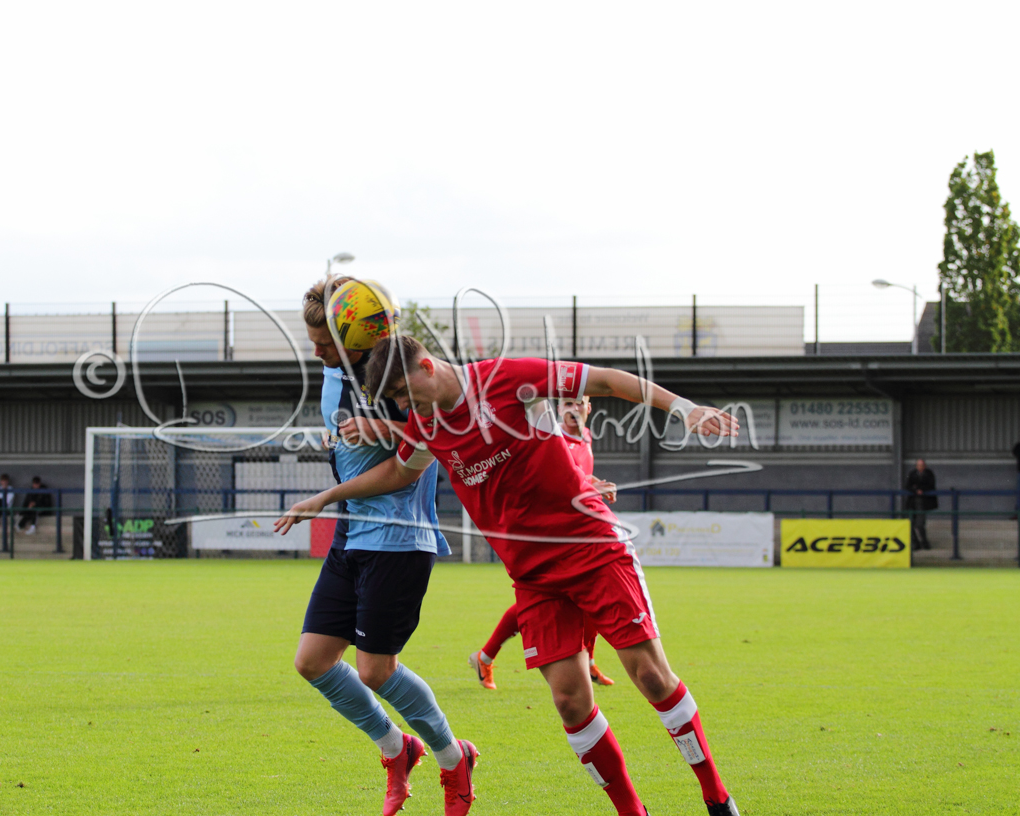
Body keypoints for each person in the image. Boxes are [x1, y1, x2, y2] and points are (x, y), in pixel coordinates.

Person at [276, 335, 742, 816]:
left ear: (427, 368)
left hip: (592, 550)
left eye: (403, 393)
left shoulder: (506, 379)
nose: (404, 407)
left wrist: (683, 408)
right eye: (395, 400)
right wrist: (326, 498)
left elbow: (604, 381)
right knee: (570, 702)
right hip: (533, 577)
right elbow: (399, 472)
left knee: (651, 676)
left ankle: (717, 798)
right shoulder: (425, 423)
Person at [291, 278, 477, 816]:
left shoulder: (405, 380)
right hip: (352, 532)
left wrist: (376, 432)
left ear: (355, 341)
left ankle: (453, 758)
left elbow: (418, 455)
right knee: (313, 662)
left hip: (398, 539)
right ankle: (398, 749)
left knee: (375, 670)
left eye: (324, 345)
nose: (317, 354)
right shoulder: (336, 367)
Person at [469, 396, 619, 690]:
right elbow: (551, 481)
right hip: (550, 532)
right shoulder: (551, 438)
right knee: (538, 600)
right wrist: (589, 487)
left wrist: (593, 484)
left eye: (579, 402)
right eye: (567, 403)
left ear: (589, 408)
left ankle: (588, 661)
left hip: (575, 529)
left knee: (592, 596)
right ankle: (485, 657)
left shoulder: (585, 436)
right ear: (558, 408)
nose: (573, 408)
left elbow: (576, 475)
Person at [904, 459, 937, 550]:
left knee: (920, 524)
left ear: (925, 466)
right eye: (918, 465)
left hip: (923, 502)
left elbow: (931, 485)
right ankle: (915, 542)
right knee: (910, 523)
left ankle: (924, 541)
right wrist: (915, 490)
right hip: (912, 502)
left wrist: (921, 489)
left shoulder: (929, 474)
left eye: (922, 465)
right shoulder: (912, 474)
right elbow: (908, 485)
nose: (920, 467)